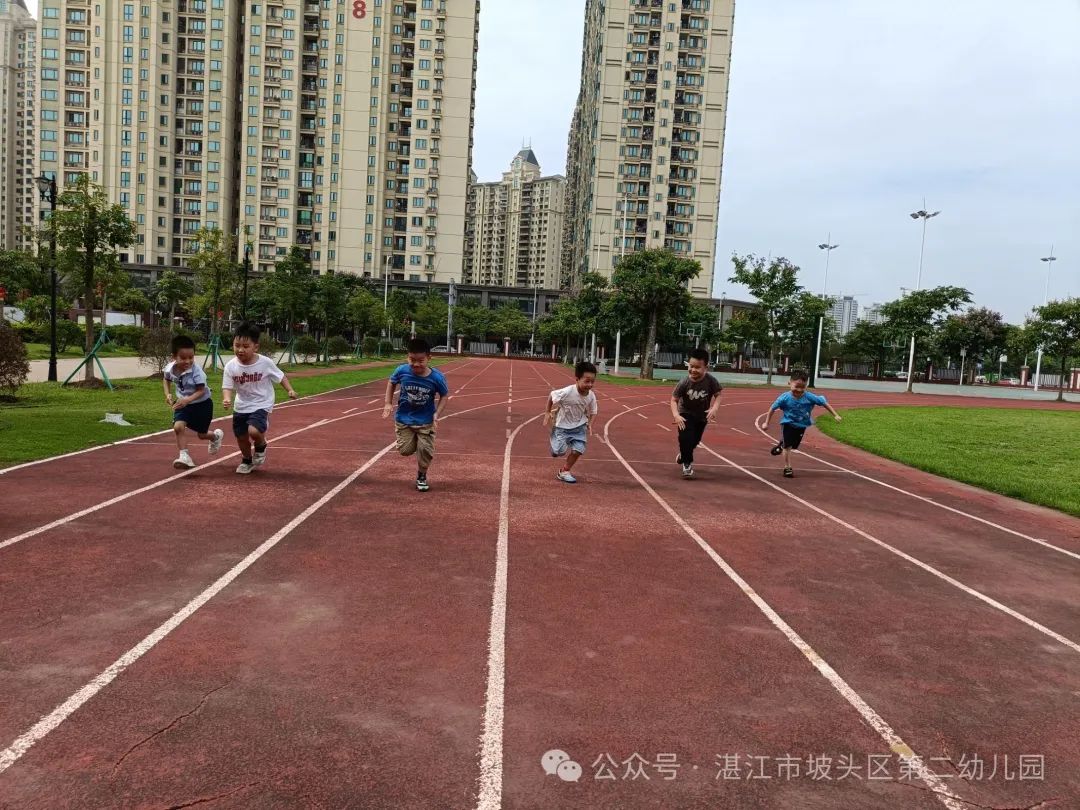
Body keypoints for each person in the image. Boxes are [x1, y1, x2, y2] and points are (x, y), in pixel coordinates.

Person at [221, 322, 297, 474]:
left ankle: (261, 445)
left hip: (262, 403)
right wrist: (227, 398)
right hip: (241, 405)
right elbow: (227, 386)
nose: (240, 350)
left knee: (254, 431)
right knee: (241, 437)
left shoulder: (265, 363)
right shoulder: (230, 366)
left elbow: (280, 377)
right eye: (237, 345)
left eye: (245, 346)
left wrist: (290, 390)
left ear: (256, 347)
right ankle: (247, 460)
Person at [383, 338, 449, 492]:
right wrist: (387, 402)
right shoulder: (402, 371)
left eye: (421, 360)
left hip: (426, 421)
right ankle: (413, 443)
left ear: (428, 358)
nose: (416, 364)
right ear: (407, 357)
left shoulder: (436, 378)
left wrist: (436, 414)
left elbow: (444, 395)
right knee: (405, 451)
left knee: (425, 450)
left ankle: (421, 475)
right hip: (404, 419)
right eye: (412, 360)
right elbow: (391, 382)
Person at [761, 369, 841, 478]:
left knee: (793, 446)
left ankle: (781, 444)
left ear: (806, 385)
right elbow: (772, 409)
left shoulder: (809, 397)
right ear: (789, 383)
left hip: (802, 425)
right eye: (796, 386)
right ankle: (787, 467)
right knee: (788, 447)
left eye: (802, 387)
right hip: (788, 424)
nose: (799, 390)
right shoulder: (784, 398)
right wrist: (766, 423)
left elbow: (824, 403)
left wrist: (835, 414)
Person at [163, 334, 224, 469]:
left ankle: (215, 437)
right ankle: (184, 456)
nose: (188, 361)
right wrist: (168, 394)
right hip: (183, 405)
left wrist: (187, 400)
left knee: (202, 435)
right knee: (178, 427)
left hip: (202, 405)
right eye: (183, 358)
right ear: (174, 357)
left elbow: (201, 390)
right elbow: (166, 379)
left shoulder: (197, 372)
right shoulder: (170, 368)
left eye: (191, 357)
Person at [670, 348, 722, 478]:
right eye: (691, 366)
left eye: (697, 367)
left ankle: (683, 454)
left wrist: (714, 408)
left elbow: (718, 395)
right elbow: (674, 399)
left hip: (701, 416)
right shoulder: (684, 382)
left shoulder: (711, 381)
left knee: (695, 440)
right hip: (685, 413)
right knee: (685, 437)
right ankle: (687, 465)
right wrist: (676, 415)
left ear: (706, 367)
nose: (693, 370)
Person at [545, 361, 598, 484]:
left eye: (592, 382)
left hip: (579, 427)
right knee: (559, 452)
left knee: (578, 450)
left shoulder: (591, 396)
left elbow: (594, 411)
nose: (590, 384)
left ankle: (564, 471)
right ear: (577, 379)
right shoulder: (568, 392)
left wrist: (590, 423)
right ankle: (555, 446)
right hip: (562, 427)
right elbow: (552, 396)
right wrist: (547, 412)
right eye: (587, 381)